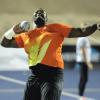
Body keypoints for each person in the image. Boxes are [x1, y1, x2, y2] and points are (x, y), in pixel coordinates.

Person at [0, 8, 99, 100]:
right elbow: (4, 43)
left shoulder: (55, 28)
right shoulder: (26, 36)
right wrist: (13, 30)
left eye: (42, 14)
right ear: (33, 19)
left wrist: (96, 26)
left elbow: (80, 32)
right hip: (35, 77)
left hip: (52, 77)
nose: (39, 14)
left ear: (46, 19)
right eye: (37, 13)